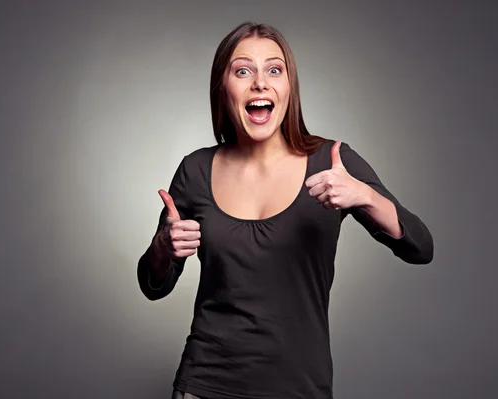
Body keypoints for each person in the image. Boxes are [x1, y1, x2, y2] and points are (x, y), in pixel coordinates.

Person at [137, 21, 434, 399]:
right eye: (243, 70)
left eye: (274, 70)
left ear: (288, 88)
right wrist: (164, 246)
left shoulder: (332, 161)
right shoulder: (195, 170)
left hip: (299, 388)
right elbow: (152, 286)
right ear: (223, 89)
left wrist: (367, 197)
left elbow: (421, 249)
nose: (259, 83)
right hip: (204, 385)